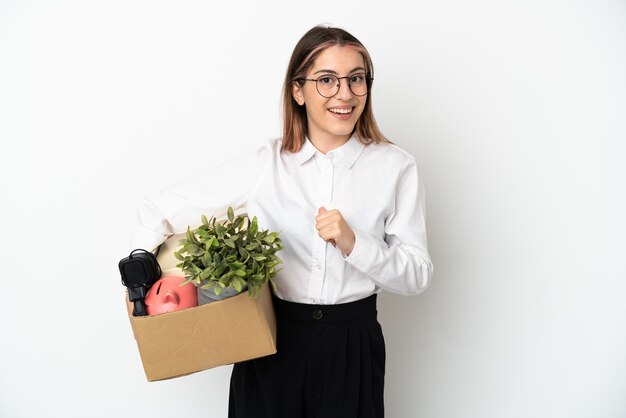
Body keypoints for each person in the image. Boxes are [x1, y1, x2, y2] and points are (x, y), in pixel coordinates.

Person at [130, 24, 433, 418]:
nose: (345, 94)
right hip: (271, 342)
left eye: (356, 79)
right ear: (297, 90)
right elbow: (158, 209)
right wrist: (138, 280)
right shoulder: (265, 166)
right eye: (327, 80)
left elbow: (418, 274)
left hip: (352, 345)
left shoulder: (396, 168)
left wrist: (355, 244)